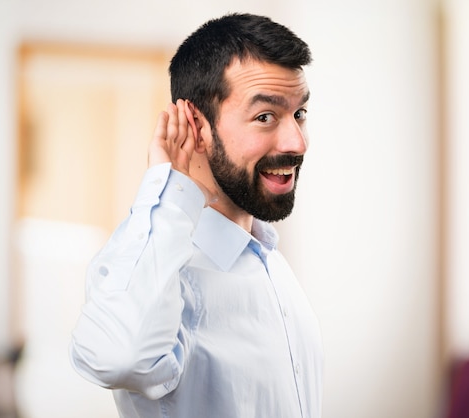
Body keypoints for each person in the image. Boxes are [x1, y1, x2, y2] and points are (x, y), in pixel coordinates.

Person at [69, 13, 323, 418]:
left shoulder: (270, 261)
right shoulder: (165, 273)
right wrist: (168, 188)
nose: (297, 141)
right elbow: (116, 358)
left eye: (300, 114)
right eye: (265, 117)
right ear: (196, 127)